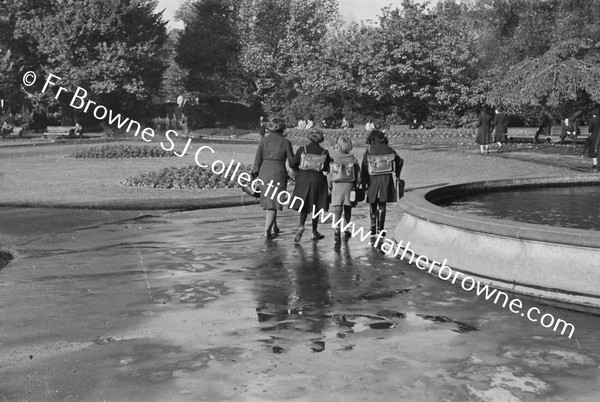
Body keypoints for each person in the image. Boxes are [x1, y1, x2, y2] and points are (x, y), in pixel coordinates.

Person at [252, 117, 295, 239]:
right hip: (278, 172)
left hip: (264, 171)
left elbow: (257, 159)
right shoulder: (286, 142)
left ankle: (274, 226)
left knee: (270, 201)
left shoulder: (264, 141)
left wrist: (255, 174)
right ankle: (267, 231)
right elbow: (292, 162)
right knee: (274, 202)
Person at [290, 130, 331, 242]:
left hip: (303, 177)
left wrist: (298, 172)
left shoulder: (302, 149)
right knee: (316, 205)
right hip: (318, 179)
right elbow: (327, 168)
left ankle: (301, 226)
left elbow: (292, 163)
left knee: (303, 203)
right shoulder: (324, 152)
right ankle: (314, 231)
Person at [361, 130, 403, 236]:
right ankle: (381, 228)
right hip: (386, 178)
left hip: (373, 178)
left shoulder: (369, 149)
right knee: (382, 202)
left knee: (373, 202)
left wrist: (364, 180)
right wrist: (397, 173)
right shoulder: (389, 149)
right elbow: (400, 161)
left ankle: (373, 226)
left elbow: (364, 165)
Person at [328, 136, 360, 242]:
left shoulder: (334, 158)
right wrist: (358, 184)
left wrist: (329, 185)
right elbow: (358, 175)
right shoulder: (353, 158)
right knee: (348, 207)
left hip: (337, 184)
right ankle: (346, 229)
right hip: (349, 185)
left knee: (337, 208)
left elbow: (330, 174)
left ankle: (336, 228)